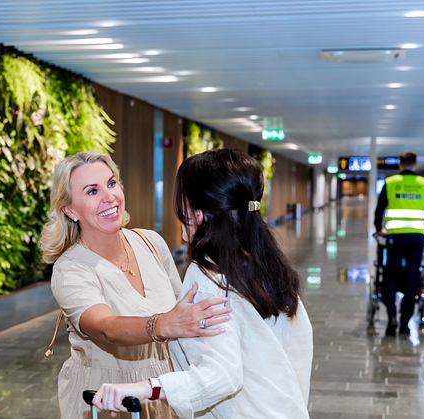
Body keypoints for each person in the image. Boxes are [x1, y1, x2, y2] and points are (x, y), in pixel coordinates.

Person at [92, 148, 313, 419]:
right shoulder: (269, 265)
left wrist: (146, 388)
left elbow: (222, 376)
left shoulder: (207, 274)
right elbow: (298, 351)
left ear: (198, 212)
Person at [40, 151, 232, 419]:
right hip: (107, 400)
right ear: (70, 210)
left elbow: (183, 312)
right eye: (92, 191)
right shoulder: (70, 269)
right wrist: (163, 324)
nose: (109, 197)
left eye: (111, 183)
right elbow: (105, 328)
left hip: (163, 390)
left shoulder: (151, 243)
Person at [374, 150, 424, 336]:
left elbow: (379, 209)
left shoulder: (391, 183)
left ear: (400, 165)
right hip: (417, 237)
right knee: (412, 276)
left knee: (391, 275)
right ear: (415, 165)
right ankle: (405, 321)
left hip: (395, 237)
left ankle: (391, 316)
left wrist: (379, 228)